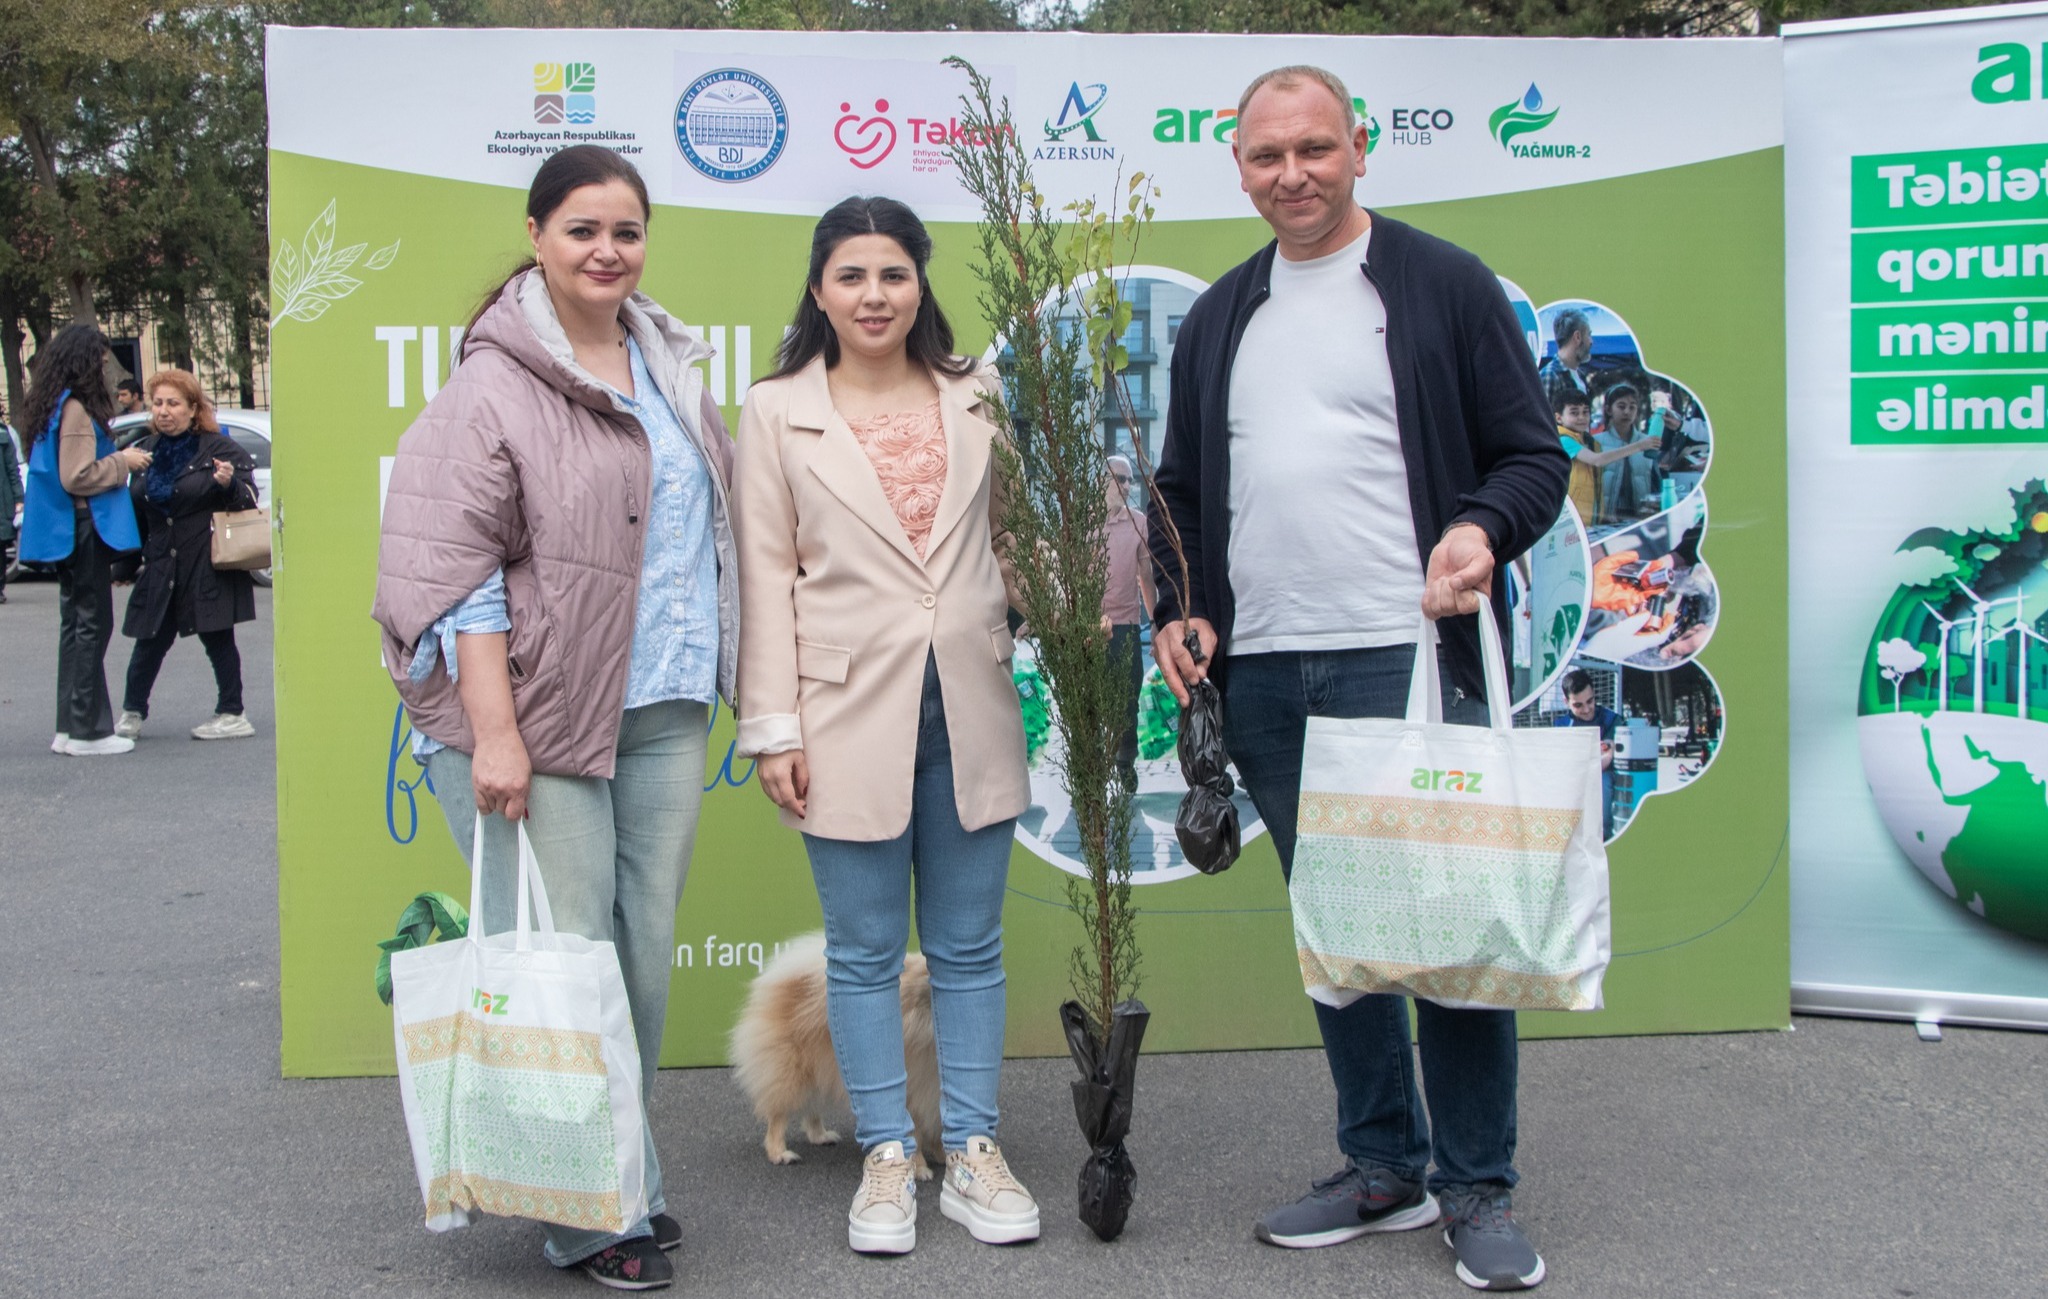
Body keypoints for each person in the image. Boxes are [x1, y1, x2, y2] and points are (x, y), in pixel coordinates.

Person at [1147, 66, 1568, 1291]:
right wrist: (1180, 608)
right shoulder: (1220, 316)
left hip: (1407, 656)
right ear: (1237, 167)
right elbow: (1180, 494)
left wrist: (1478, 529)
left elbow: (1531, 458)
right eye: (1266, 156)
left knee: (1445, 927)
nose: (1291, 175)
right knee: (1337, 930)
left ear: (1359, 149)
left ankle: (1475, 1185)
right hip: (1268, 669)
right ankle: (1382, 1163)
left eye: (1313, 149)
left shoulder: (1441, 285)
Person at [372, 145, 737, 1293]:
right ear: (535, 237)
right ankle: (589, 1217)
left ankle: (619, 1173)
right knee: (566, 957)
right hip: (535, 718)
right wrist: (493, 733)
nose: (606, 251)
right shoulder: (492, 385)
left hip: (662, 705)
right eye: (582, 229)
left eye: (626, 230)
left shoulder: (665, 365)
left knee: (634, 964)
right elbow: (456, 574)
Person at [732, 195, 1038, 1257]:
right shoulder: (777, 409)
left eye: (894, 274)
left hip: (970, 701)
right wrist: (772, 727)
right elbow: (764, 576)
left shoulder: (976, 391)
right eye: (852, 275)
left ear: (920, 284)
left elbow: (1011, 542)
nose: (875, 295)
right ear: (819, 290)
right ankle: (885, 1158)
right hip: (841, 713)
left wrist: (1077, 601)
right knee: (863, 954)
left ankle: (975, 1149)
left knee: (969, 947)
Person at [16, 325, 148, 756]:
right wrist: (123, 461)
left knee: (75, 625)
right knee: (93, 624)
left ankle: (69, 727)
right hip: (85, 525)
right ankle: (88, 732)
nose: (105, 370)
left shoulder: (53, 404)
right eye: (100, 361)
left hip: (67, 528)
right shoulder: (76, 409)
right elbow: (77, 476)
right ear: (83, 362)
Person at [112, 370, 260, 741]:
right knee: (149, 642)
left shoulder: (218, 448)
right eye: (158, 403)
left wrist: (229, 484)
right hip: (162, 564)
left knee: (217, 638)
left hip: (204, 563)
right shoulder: (145, 451)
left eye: (174, 404)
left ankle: (232, 713)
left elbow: (249, 501)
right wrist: (125, 565)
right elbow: (137, 513)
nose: (164, 411)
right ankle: (132, 712)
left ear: (193, 409)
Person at [1099, 453, 1156, 790]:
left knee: (1128, 701)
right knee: (1091, 702)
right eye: (1118, 478)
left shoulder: (1139, 523)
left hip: (1127, 627)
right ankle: (1091, 767)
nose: (1126, 485)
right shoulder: (1083, 521)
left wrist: (1157, 623)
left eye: (1129, 479)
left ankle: (1124, 762)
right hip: (1091, 628)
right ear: (1102, 481)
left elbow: (1145, 576)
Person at [1554, 388, 1657, 528]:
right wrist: (1639, 446)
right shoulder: (1563, 440)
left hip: (1590, 517)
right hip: (1571, 517)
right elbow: (1597, 460)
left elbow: (1597, 485)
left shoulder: (1591, 442)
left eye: (1585, 412)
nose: (1581, 417)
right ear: (1558, 418)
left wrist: (1602, 515)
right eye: (1574, 413)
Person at [1553, 667, 1619, 840]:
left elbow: (1609, 756)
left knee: (1602, 782)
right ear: (1566, 702)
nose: (1587, 709)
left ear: (1594, 695)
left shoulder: (1611, 719)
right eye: (1578, 705)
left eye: (1590, 701)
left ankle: (1604, 838)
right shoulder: (1561, 726)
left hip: (1602, 777)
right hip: (1574, 778)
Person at [1537, 309, 1591, 413]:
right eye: (1589, 334)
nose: (1591, 341)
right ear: (1577, 337)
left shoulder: (1580, 375)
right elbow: (1543, 418)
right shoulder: (1550, 375)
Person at [0, 422, 21, 604]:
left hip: (2, 498)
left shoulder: (4, 434)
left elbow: (13, 469)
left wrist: (18, 497)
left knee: (0, 545)